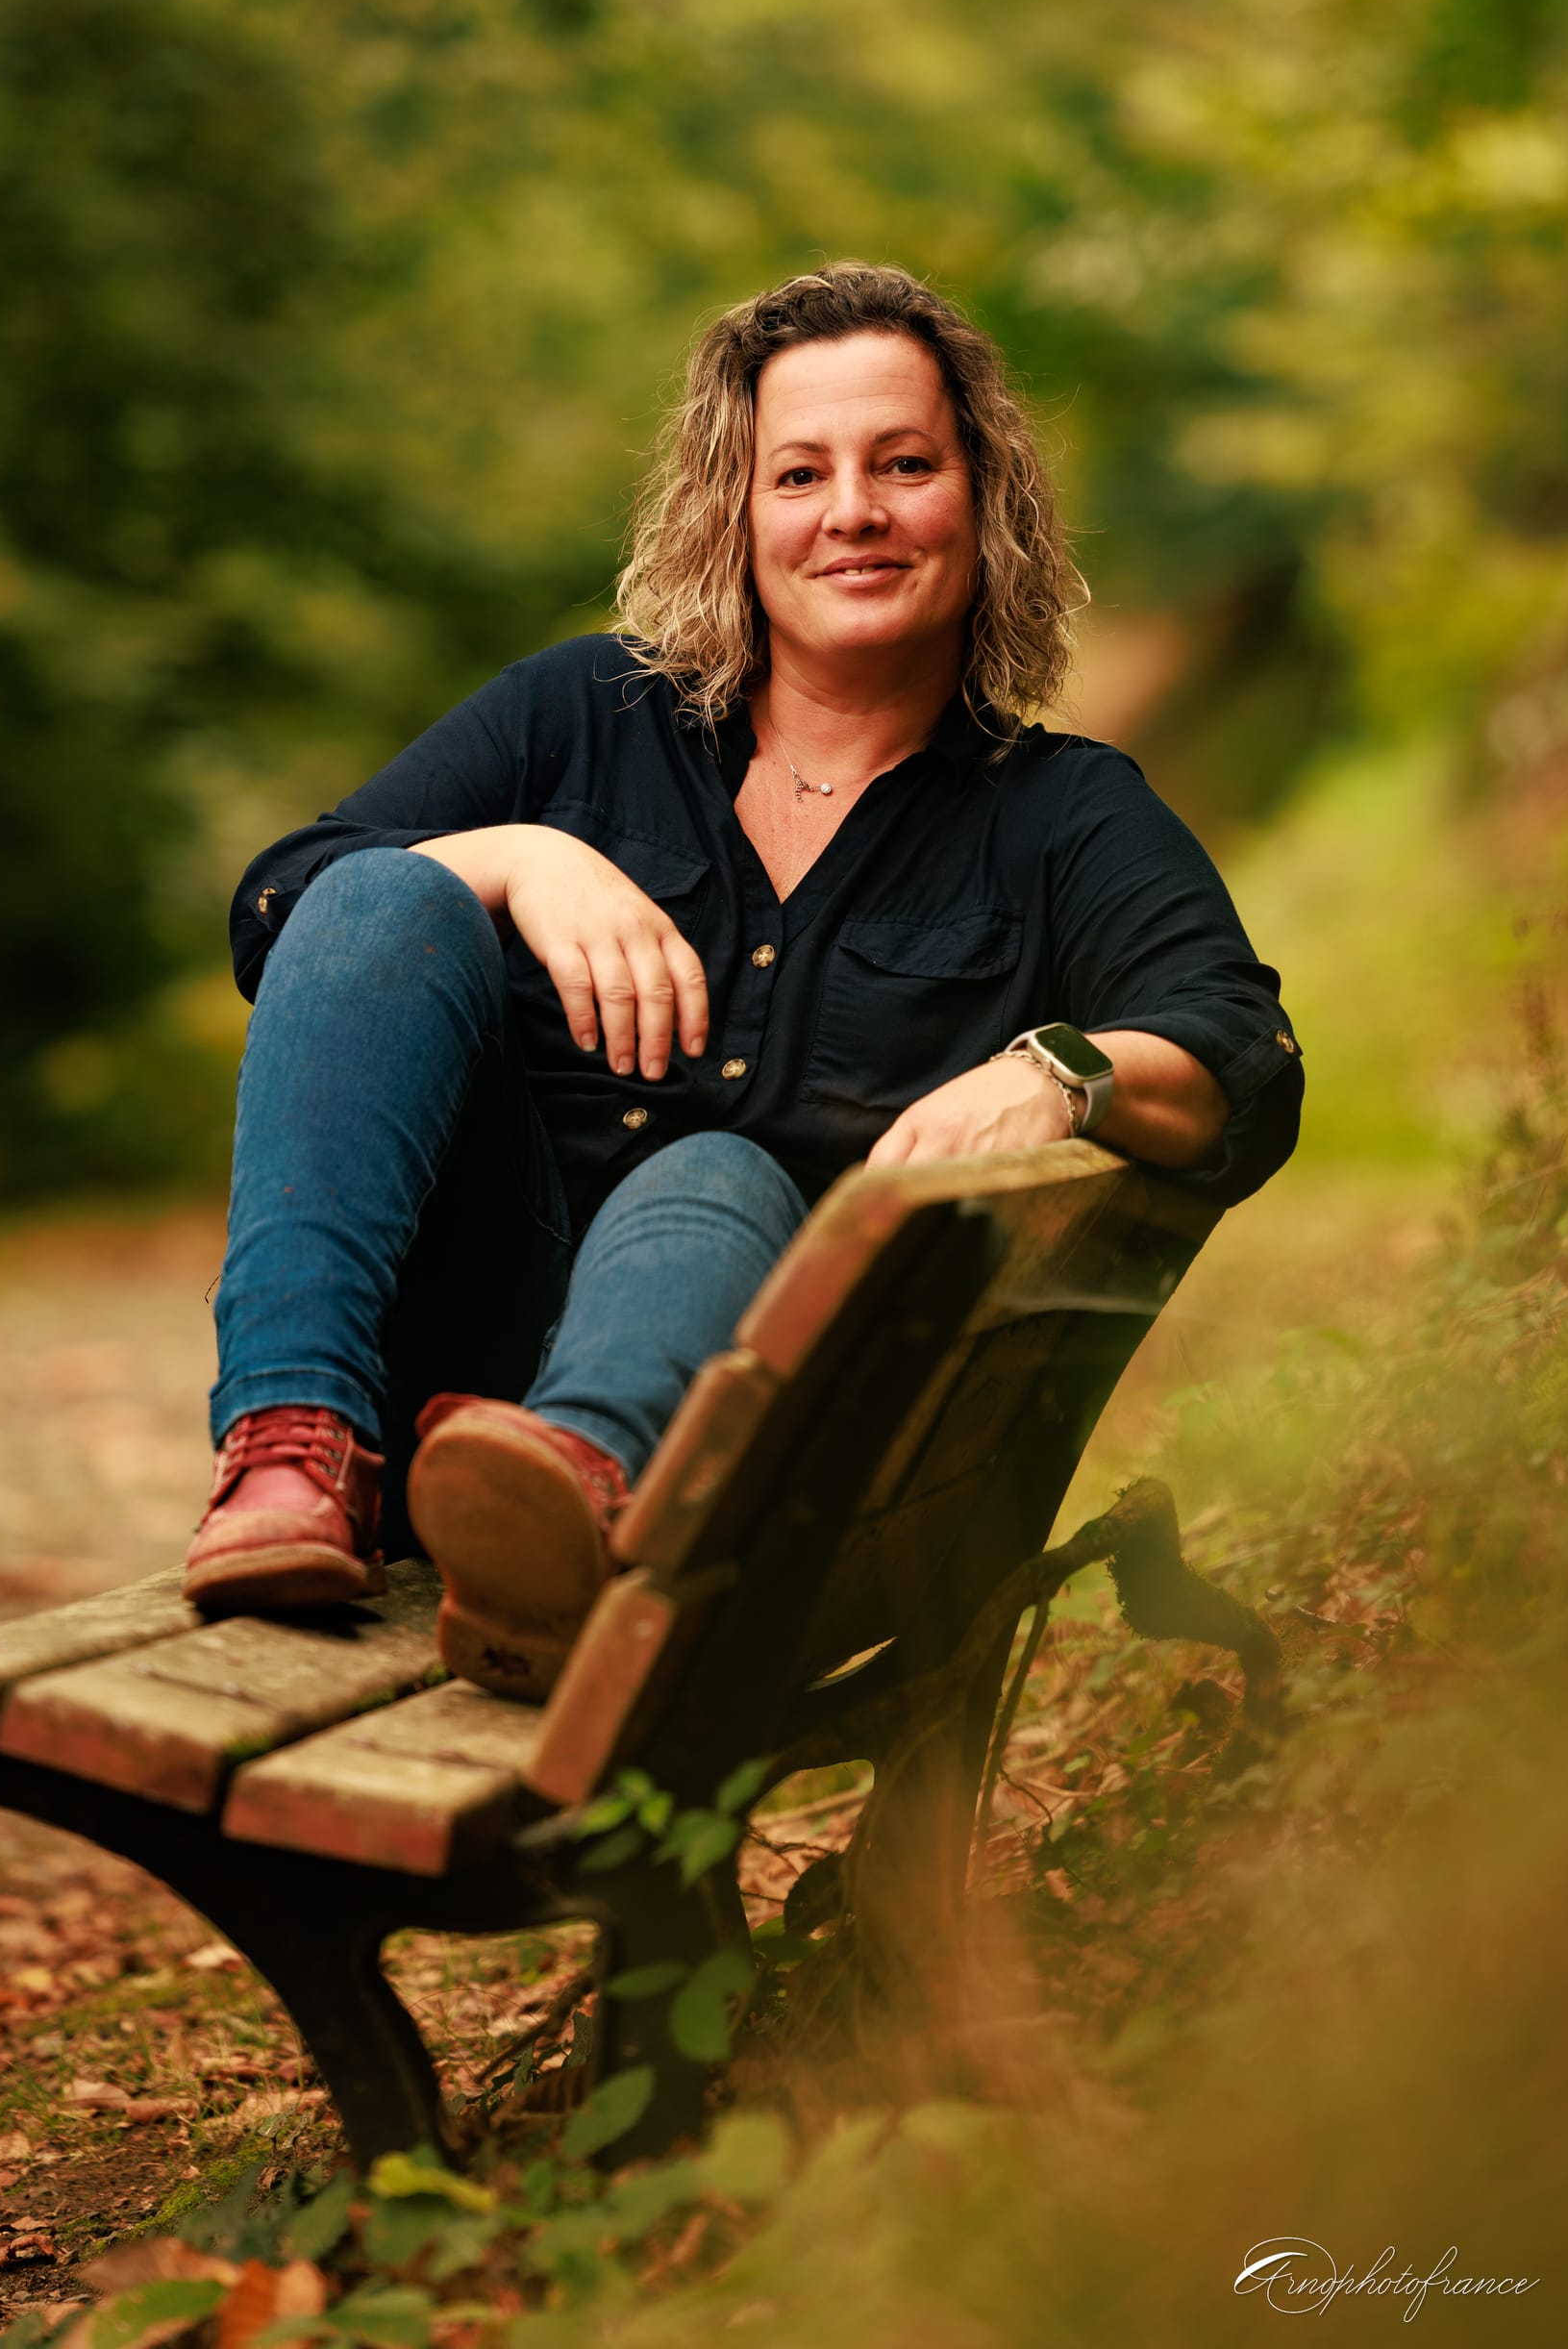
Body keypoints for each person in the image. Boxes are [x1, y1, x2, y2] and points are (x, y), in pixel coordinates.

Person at [185, 262, 1302, 1698]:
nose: (854, 511)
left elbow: (1243, 1055)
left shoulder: (1062, 818)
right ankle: (290, 1453)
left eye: (906, 464)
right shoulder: (580, 716)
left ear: (987, 503)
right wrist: (520, 857)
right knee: (385, 885)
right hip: (445, 1377)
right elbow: (284, 906)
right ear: (736, 513)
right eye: (799, 474)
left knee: (712, 1173)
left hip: (743, 1468)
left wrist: (1057, 1072)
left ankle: (563, 1503)